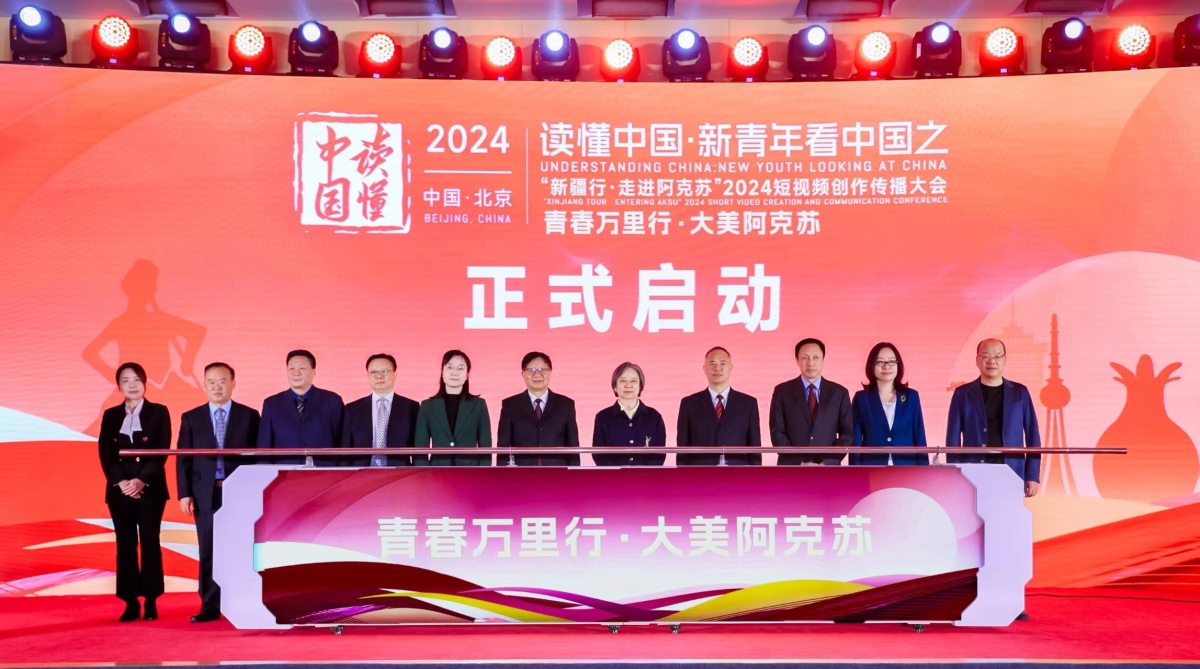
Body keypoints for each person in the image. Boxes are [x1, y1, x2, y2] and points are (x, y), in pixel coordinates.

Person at [176, 362, 260, 623]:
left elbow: (257, 457)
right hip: (205, 493)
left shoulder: (249, 416)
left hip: (239, 492)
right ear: (204, 385)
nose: (216, 386)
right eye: (211, 381)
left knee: (241, 548)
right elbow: (183, 458)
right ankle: (210, 605)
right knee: (208, 550)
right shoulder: (191, 417)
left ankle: (242, 601)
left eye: (222, 381)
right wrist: (184, 493)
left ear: (233, 383)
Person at [97, 362, 170, 622]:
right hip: (120, 491)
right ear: (119, 386)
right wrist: (122, 482)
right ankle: (129, 601)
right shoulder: (110, 415)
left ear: (145, 383)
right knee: (125, 543)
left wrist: (140, 481)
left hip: (150, 488)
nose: (132, 385)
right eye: (126, 380)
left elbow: (161, 451)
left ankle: (151, 600)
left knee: (150, 541)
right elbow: (106, 454)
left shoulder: (159, 412)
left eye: (137, 379)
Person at [946, 339, 1042, 496]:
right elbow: (952, 439)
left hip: (1012, 471)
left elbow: (1033, 436)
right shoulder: (962, 394)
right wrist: (954, 472)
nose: (991, 361)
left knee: (1009, 511)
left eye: (997, 356)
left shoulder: (1020, 392)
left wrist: (1032, 475)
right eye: (985, 356)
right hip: (973, 471)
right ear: (977, 360)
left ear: (1005, 359)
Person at [770, 338, 854, 466]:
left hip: (828, 469)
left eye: (816, 357)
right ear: (797, 360)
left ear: (823, 359)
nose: (810, 363)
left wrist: (827, 462)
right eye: (805, 358)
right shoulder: (782, 391)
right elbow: (777, 431)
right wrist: (799, 462)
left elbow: (847, 433)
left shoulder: (839, 393)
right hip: (792, 467)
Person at [677, 346, 761, 466]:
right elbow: (682, 448)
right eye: (712, 364)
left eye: (722, 363)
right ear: (704, 369)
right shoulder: (688, 404)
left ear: (731, 367)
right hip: (700, 472)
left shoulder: (749, 404)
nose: (717, 368)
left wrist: (756, 474)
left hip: (738, 472)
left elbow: (755, 447)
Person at [257, 350, 343, 466]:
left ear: (313, 372)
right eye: (291, 368)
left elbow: (342, 441)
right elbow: (264, 447)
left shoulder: (332, 401)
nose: (296, 373)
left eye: (302, 368)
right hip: (284, 472)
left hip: (324, 471)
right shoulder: (271, 404)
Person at [851, 342, 928, 466]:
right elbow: (856, 441)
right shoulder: (862, 398)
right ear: (871, 365)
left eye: (891, 361)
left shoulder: (911, 396)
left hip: (907, 466)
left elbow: (919, 437)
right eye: (880, 362)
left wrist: (924, 469)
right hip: (872, 466)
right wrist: (855, 470)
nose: (886, 366)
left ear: (898, 365)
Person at [497, 351, 580, 466]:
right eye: (531, 370)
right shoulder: (510, 405)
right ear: (523, 374)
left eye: (542, 370)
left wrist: (574, 473)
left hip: (557, 472)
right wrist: (502, 474)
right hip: (522, 472)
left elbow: (573, 446)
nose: (537, 374)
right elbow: (503, 447)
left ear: (550, 372)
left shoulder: (566, 405)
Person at [415, 350, 493, 466]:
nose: (454, 372)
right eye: (450, 367)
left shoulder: (478, 405)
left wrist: (483, 473)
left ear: (467, 375)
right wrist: (423, 473)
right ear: (442, 372)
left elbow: (485, 445)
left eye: (460, 368)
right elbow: (420, 447)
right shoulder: (427, 406)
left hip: (470, 470)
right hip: (437, 470)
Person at [341, 354, 421, 467]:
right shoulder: (352, 409)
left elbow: (417, 447)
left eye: (385, 371)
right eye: (373, 372)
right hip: (361, 472)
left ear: (395, 374)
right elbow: (345, 449)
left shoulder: (411, 407)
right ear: (367, 376)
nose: (379, 376)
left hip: (399, 472)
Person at [593, 362, 666, 466]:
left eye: (633, 381)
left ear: (640, 386)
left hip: (646, 475)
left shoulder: (654, 417)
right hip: (613, 475)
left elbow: (659, 453)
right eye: (623, 381)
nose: (628, 385)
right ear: (615, 385)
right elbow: (599, 455)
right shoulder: (602, 417)